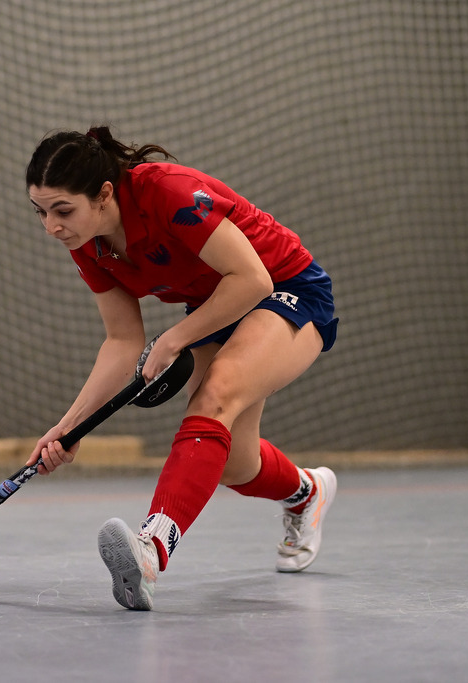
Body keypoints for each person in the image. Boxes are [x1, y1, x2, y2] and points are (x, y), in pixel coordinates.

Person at [24, 125, 339, 611]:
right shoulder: (88, 244)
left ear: (104, 194)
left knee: (216, 393)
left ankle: (151, 549)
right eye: (41, 212)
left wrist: (174, 338)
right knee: (235, 464)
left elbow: (252, 278)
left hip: (283, 285)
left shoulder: (167, 193)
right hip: (218, 303)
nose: (51, 226)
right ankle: (306, 491)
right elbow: (122, 341)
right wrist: (67, 430)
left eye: (62, 210)